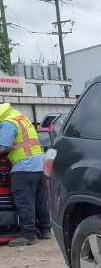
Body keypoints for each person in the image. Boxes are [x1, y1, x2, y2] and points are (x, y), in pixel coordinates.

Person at [0, 103, 50, 247]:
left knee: (24, 201)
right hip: (39, 165)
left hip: (24, 167)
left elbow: (3, 148)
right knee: (40, 200)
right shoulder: (21, 118)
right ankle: (45, 229)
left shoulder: (7, 123)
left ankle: (28, 234)